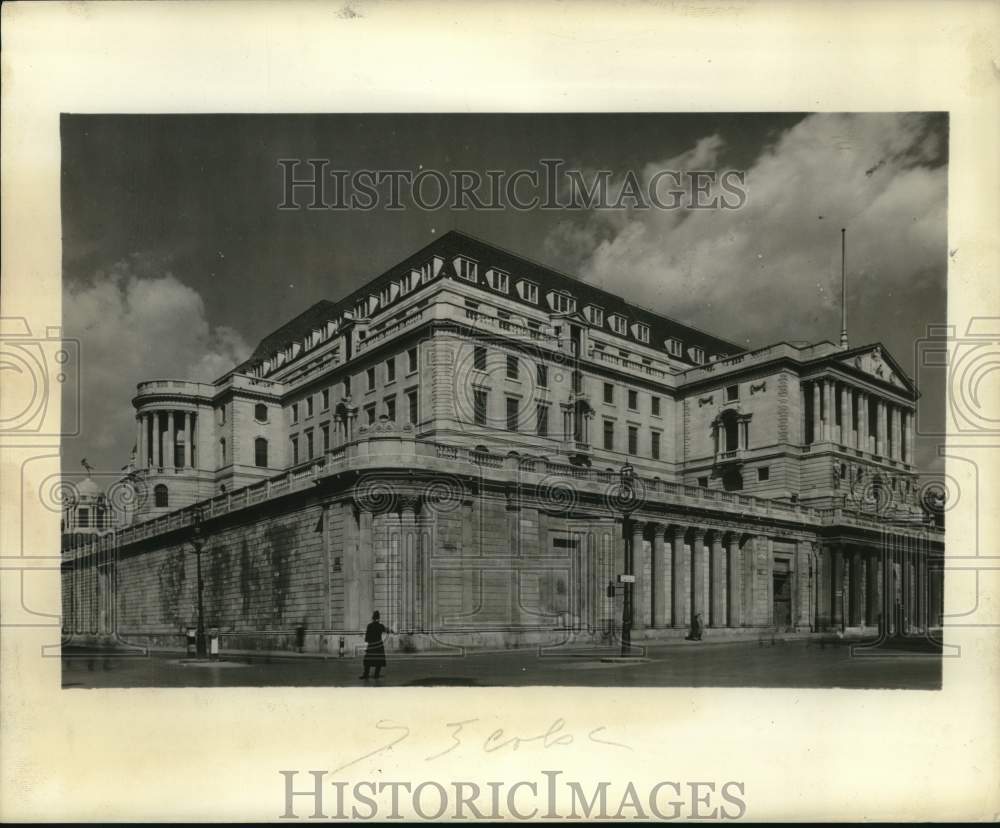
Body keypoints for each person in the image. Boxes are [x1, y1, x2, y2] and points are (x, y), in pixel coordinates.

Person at [359, 611, 391, 680]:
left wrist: (366, 645)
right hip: (379, 645)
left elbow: (367, 637)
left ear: (373, 618)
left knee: (368, 660)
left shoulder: (369, 625)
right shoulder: (380, 626)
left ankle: (366, 674)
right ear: (378, 618)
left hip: (371, 645)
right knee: (378, 660)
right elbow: (387, 631)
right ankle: (376, 674)